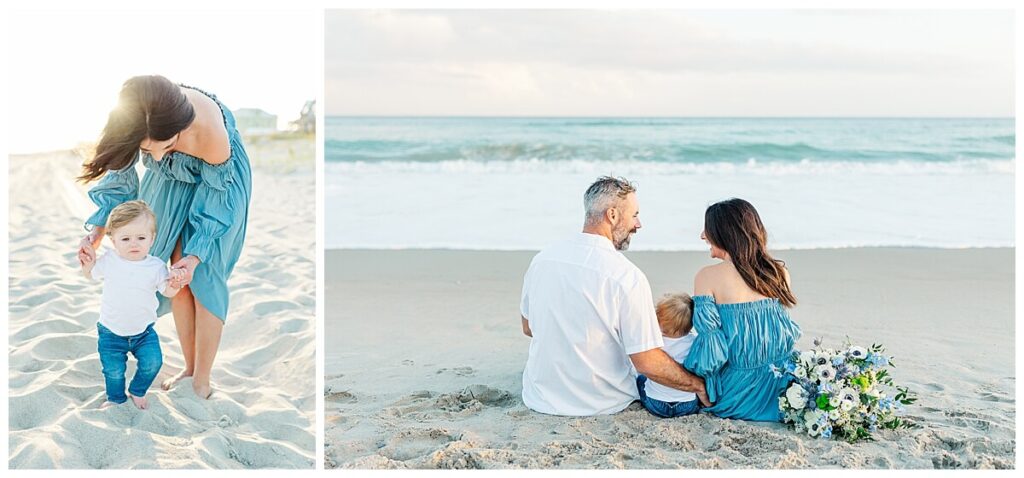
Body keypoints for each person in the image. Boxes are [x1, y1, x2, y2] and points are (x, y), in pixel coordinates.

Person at [76, 75, 252, 399]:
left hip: (218, 187)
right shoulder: (138, 120)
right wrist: (100, 230)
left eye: (167, 145)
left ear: (180, 131)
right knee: (175, 268)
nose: (155, 156)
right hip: (168, 180)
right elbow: (121, 178)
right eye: (147, 149)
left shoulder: (208, 135)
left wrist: (197, 254)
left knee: (203, 274)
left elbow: (216, 203)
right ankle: (188, 366)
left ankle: (202, 378)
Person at [520, 176, 709, 416]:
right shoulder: (626, 276)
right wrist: (697, 386)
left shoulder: (542, 260)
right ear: (612, 215)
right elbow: (647, 361)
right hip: (602, 402)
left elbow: (528, 327)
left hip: (540, 396)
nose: (638, 224)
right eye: (634, 215)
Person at [683, 198, 802, 421]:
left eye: (707, 229)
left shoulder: (707, 276)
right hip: (783, 389)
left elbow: (711, 353)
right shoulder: (779, 272)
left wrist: (698, 386)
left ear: (724, 233)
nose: (702, 235)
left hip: (737, 395)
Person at [80, 200, 184, 409]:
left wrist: (176, 283)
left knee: (153, 363)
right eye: (125, 238)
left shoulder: (156, 267)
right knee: (113, 371)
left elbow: (167, 291)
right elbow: (91, 274)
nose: (133, 244)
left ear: (152, 238)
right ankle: (115, 398)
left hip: (143, 332)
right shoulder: (110, 261)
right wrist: (88, 262)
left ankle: (137, 390)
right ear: (113, 240)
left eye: (141, 238)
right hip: (111, 331)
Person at [636, 293, 701, 418]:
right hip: (686, 405)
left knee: (640, 379)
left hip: (656, 404)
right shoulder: (695, 342)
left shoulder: (654, 341)